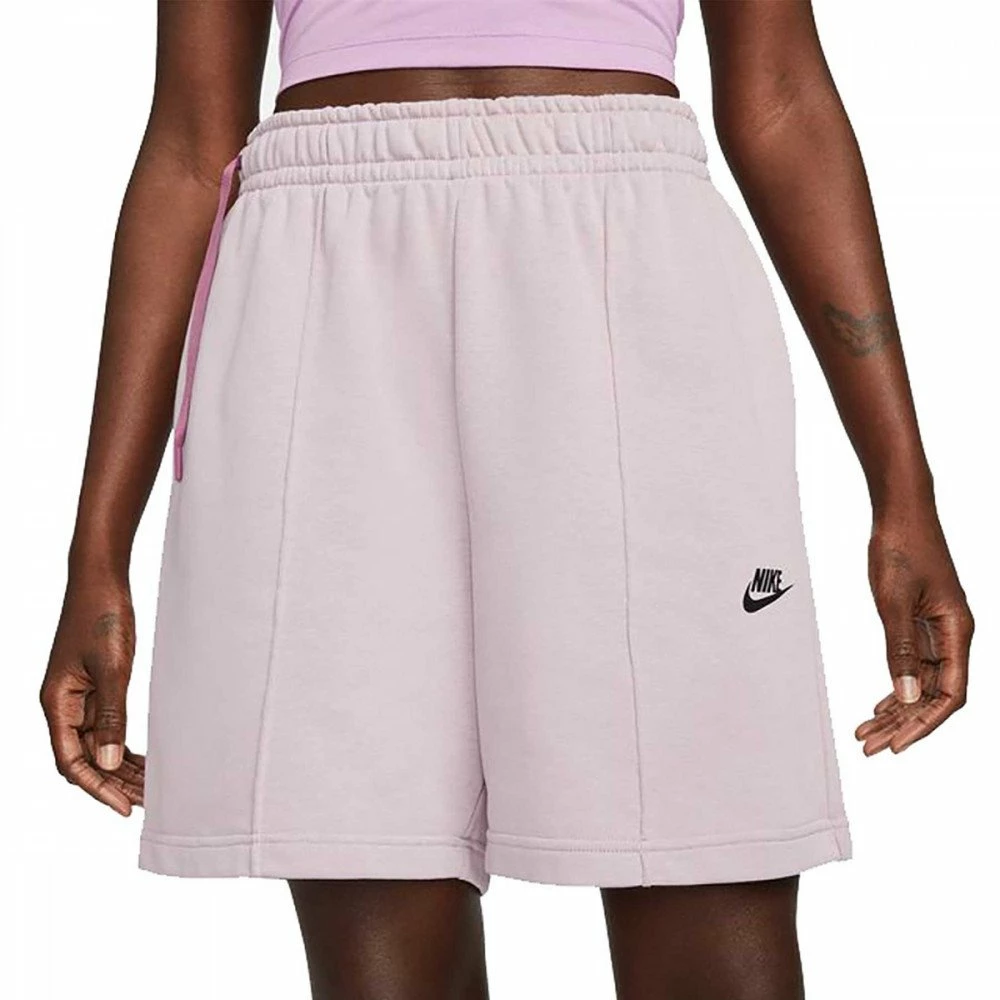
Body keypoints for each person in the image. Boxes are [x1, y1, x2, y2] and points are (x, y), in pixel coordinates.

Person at [40, 2, 974, 998]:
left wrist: (902, 486)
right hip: (318, 278)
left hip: (627, 248)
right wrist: (96, 551)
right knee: (377, 933)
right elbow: (192, 145)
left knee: (706, 884)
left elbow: (781, 99)